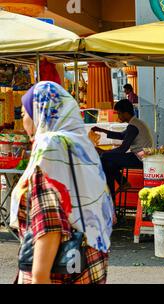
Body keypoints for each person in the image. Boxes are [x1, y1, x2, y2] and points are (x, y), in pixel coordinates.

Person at [10, 81, 115, 284]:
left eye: (24, 114)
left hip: (56, 276)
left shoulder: (50, 151)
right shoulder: (81, 146)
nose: (23, 121)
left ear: (40, 114)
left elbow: (49, 224)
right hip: (88, 269)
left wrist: (40, 277)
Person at [92, 99, 153, 198]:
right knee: (109, 163)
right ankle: (122, 183)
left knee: (105, 159)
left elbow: (123, 149)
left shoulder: (133, 126)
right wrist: (101, 130)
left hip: (140, 159)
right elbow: (121, 135)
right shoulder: (136, 123)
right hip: (139, 156)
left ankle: (112, 194)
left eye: (119, 113)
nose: (118, 116)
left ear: (126, 113)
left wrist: (104, 152)